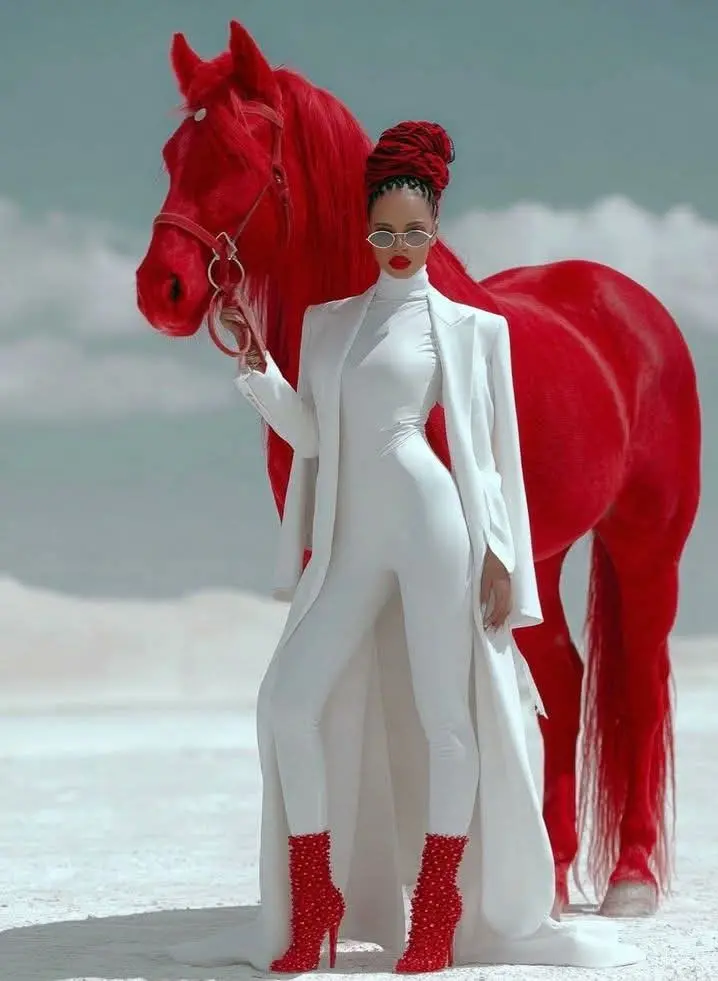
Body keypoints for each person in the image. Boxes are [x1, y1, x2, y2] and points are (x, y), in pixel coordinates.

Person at [175, 121, 642, 974]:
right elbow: (314, 436)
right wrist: (258, 370)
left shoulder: (469, 328)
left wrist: (500, 552)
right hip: (351, 536)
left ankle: (438, 909)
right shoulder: (329, 324)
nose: (398, 246)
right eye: (385, 231)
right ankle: (314, 899)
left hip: (434, 524)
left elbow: (491, 453)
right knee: (287, 704)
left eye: (415, 232)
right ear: (366, 229)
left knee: (446, 717)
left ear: (436, 230)